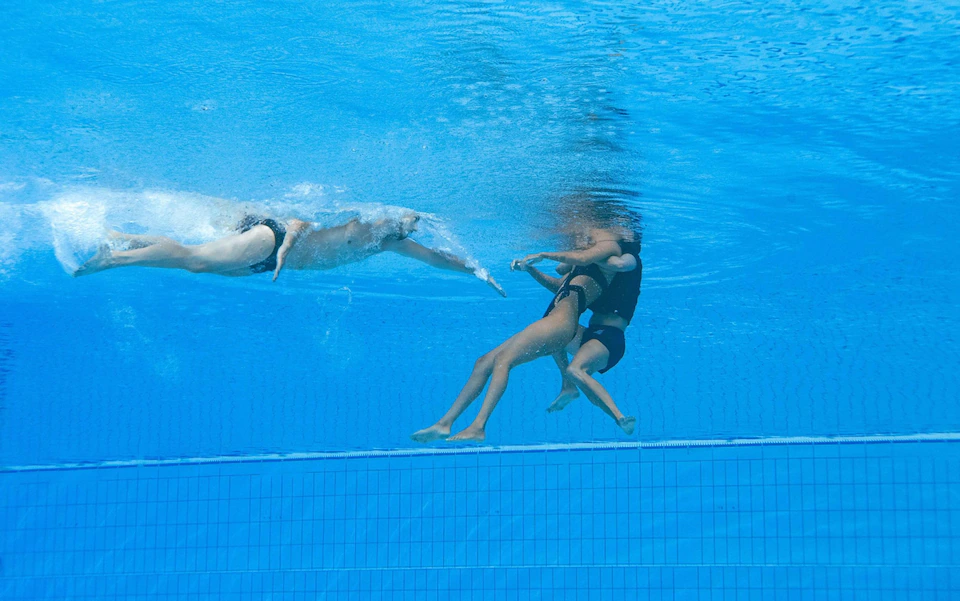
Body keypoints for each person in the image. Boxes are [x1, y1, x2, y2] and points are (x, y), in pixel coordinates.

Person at [410, 227, 634, 443]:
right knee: (483, 362)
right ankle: (445, 423)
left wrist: (544, 254)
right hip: (552, 322)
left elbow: (583, 258)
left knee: (503, 361)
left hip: (561, 325)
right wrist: (530, 269)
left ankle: (478, 426)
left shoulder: (605, 258)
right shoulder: (579, 270)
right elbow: (558, 283)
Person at [74, 212, 506, 296]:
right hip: (270, 240)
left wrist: (479, 273)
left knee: (197, 266)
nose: (409, 230)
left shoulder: (389, 244)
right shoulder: (360, 221)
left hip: (267, 265)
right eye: (406, 223)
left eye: (411, 228)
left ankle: (121, 238)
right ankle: (111, 259)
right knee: (197, 259)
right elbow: (301, 220)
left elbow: (438, 259)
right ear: (390, 216)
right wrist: (281, 254)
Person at [536, 236, 642, 434]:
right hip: (590, 334)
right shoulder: (592, 264)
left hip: (609, 339)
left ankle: (620, 417)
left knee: (576, 370)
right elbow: (560, 282)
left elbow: (618, 264)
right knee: (553, 331)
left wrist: (587, 256)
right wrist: (530, 269)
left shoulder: (629, 257)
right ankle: (568, 387)